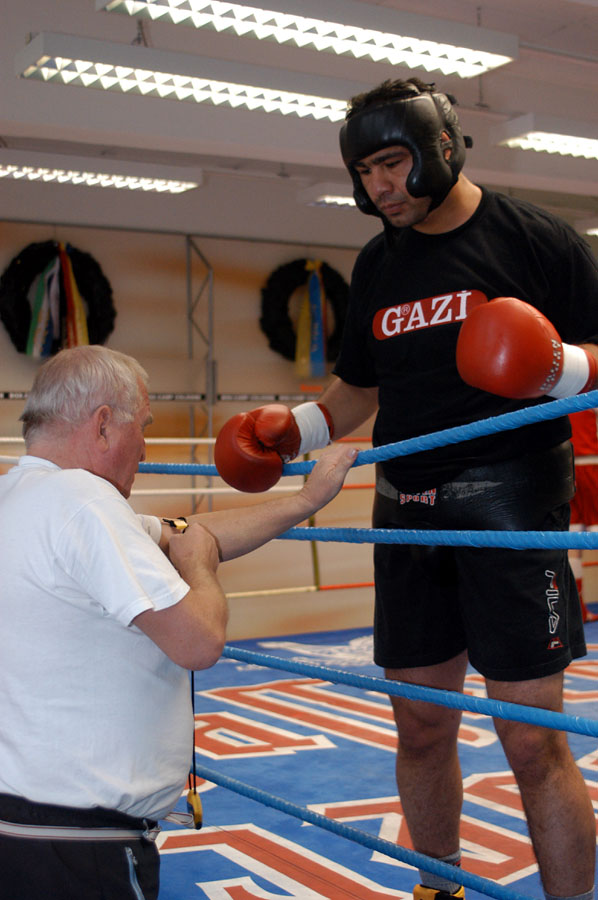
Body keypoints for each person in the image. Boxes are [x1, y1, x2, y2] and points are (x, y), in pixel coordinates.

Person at [214, 79, 598, 900]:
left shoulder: (532, 240)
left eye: (392, 163)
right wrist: (299, 430)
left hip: (512, 511)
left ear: (443, 147)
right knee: (421, 727)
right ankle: (439, 887)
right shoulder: (379, 263)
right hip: (408, 511)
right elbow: (359, 388)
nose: (379, 186)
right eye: (365, 171)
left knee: (533, 742)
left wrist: (557, 366)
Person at [0, 344, 358, 900]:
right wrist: (200, 574)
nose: (144, 445)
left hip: (24, 824)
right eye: (141, 425)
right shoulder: (86, 505)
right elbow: (199, 640)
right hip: (78, 847)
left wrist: (303, 500)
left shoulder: (20, 494)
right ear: (101, 425)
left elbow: (191, 534)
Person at [569, 408, 598, 622]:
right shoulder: (591, 384)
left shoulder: (557, 389)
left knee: (572, 539)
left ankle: (578, 610)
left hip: (564, 468)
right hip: (591, 463)